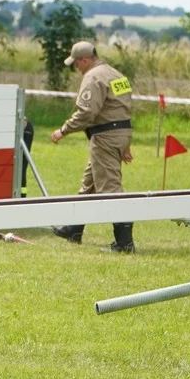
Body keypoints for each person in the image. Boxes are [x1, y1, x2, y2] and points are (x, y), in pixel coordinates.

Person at [50, 41, 136, 252]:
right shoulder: (116, 74)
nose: (76, 68)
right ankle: (74, 230)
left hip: (105, 136)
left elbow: (87, 112)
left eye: (76, 63)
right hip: (120, 133)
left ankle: (124, 243)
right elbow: (124, 108)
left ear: (85, 60)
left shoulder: (93, 77)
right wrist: (126, 143)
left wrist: (64, 130)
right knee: (89, 184)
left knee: (111, 189)